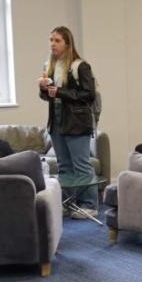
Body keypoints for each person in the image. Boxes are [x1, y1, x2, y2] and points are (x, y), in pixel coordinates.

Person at [39, 26, 98, 217]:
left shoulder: (80, 66)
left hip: (76, 123)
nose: (52, 44)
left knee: (81, 165)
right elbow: (48, 97)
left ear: (67, 43)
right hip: (57, 122)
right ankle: (69, 203)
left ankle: (89, 206)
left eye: (57, 40)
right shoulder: (50, 65)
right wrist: (43, 89)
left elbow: (88, 95)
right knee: (64, 165)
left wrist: (60, 92)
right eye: (51, 40)